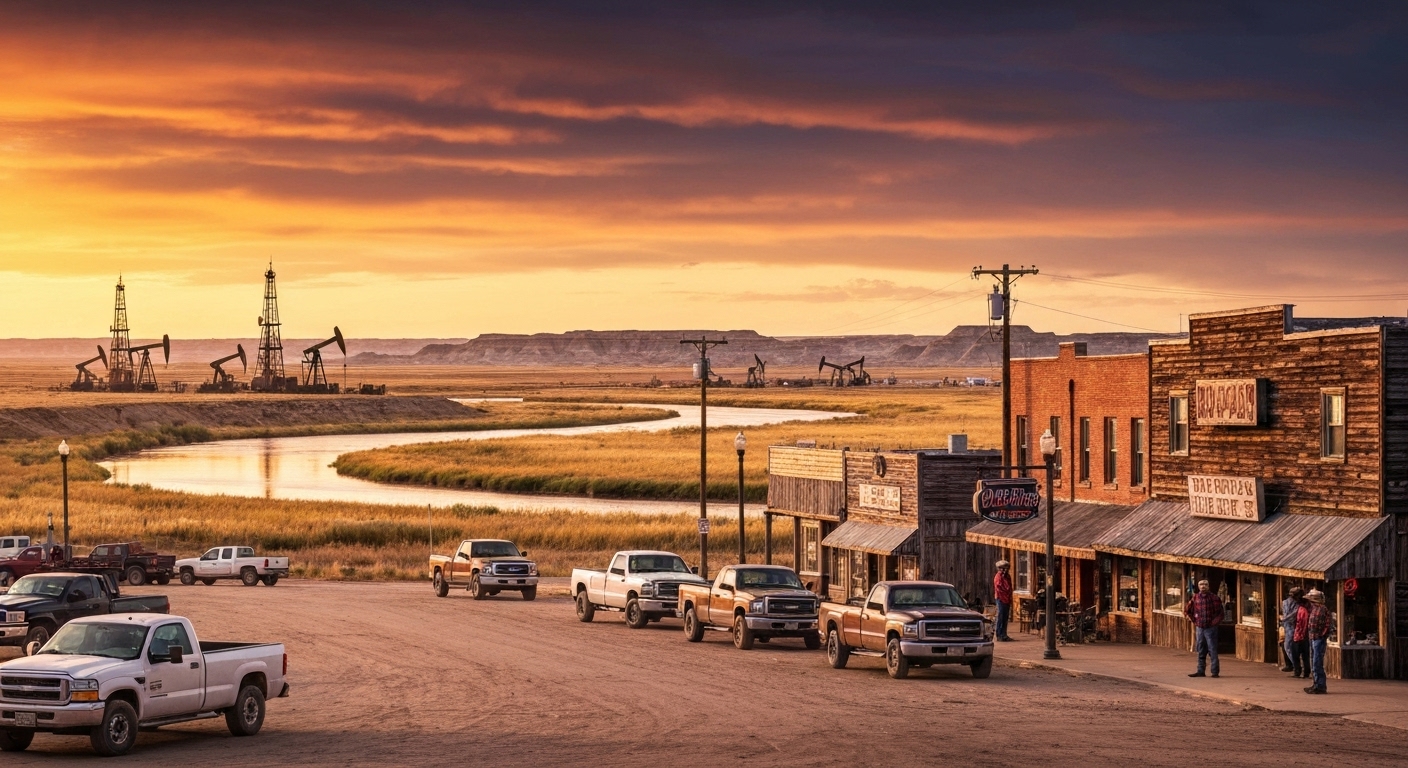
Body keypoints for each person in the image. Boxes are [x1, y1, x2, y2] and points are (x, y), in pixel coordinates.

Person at [1184, 579, 1223, 678]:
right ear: (1198, 586)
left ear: (1208, 586)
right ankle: (1200, 670)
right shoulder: (1195, 598)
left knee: (1212, 650)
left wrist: (1214, 623)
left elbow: (1220, 613)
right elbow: (1187, 610)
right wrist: (1195, 620)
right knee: (1201, 649)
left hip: (1210, 628)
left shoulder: (1214, 598)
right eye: (1201, 584)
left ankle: (1215, 672)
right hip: (1200, 627)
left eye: (1205, 584)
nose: (1203, 586)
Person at [1305, 589, 1330, 694]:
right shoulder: (1313, 609)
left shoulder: (1323, 609)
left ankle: (1320, 685)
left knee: (1317, 662)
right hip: (1313, 637)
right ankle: (1316, 683)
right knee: (1313, 662)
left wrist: (1322, 635)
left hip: (1318, 638)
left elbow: (1328, 625)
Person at [1279, 587, 1303, 672]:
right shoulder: (1297, 605)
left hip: (1289, 626)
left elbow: (1289, 614)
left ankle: (1294, 665)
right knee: (1288, 646)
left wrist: (1284, 619)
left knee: (1288, 646)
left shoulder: (1285, 603)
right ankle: (1295, 665)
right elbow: (1293, 615)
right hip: (1292, 627)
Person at [1291, 591, 1313, 678]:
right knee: (1305, 656)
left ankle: (1298, 671)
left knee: (1295, 654)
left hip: (1300, 635)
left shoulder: (1302, 610)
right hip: (1306, 635)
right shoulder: (1309, 610)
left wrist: (1299, 634)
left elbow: (1300, 623)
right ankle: (1306, 671)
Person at [993, 560, 1013, 642]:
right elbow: (999, 588)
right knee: (1000, 616)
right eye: (1004, 568)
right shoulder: (998, 577)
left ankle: (1004, 634)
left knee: (1005, 617)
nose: (1005, 570)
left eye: (1006, 568)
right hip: (1000, 598)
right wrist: (1006, 591)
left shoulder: (1007, 577)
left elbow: (1010, 587)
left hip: (1007, 599)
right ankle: (999, 634)